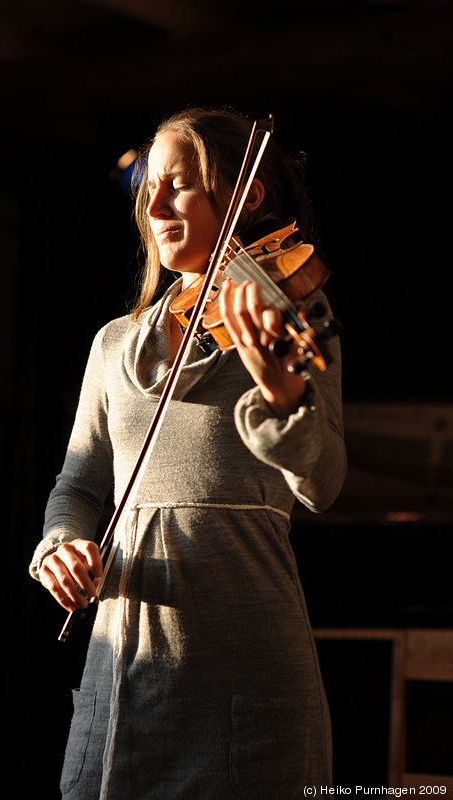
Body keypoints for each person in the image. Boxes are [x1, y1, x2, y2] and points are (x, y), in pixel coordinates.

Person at [29, 106, 346, 799]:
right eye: (151, 185)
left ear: (244, 196)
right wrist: (61, 546)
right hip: (124, 660)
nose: (156, 200)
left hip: (247, 657)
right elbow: (80, 483)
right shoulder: (115, 342)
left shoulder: (285, 320)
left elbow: (322, 483)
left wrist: (284, 395)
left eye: (180, 184)